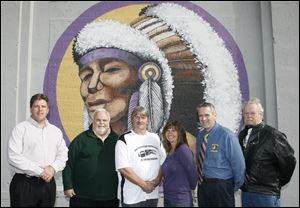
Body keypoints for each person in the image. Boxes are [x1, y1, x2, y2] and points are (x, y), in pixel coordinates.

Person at [7, 93, 68, 207]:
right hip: (24, 184)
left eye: (43, 106)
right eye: (36, 106)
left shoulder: (55, 131)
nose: (40, 109)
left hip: (48, 184)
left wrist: (53, 168)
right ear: (31, 109)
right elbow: (13, 156)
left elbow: (63, 154)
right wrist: (40, 171)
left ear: (48, 109)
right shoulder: (21, 129)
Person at [238, 97, 296, 207]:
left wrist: (275, 183)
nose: (249, 116)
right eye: (246, 113)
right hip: (246, 193)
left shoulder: (273, 135)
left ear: (261, 115)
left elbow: (289, 162)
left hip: (266, 194)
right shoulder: (242, 135)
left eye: (252, 113)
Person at [63, 108, 119, 207]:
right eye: (98, 120)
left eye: (104, 120)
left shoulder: (118, 141)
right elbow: (68, 163)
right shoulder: (80, 140)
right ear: (92, 121)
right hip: (82, 196)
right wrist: (68, 186)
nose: (101, 123)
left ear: (109, 121)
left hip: (110, 196)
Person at [196, 102, 245, 207]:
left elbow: (239, 165)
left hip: (222, 187)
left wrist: (233, 186)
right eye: (201, 116)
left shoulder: (227, 136)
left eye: (207, 115)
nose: (203, 119)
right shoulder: (200, 136)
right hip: (203, 186)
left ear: (214, 115)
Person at [115, 106, 166, 207]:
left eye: (143, 117)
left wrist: (156, 182)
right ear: (131, 119)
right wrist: (144, 185)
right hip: (132, 196)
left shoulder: (155, 138)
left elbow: (163, 162)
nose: (139, 120)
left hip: (152, 193)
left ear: (147, 120)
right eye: (136, 117)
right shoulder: (124, 139)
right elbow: (123, 169)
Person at [161, 120, 197, 207]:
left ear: (179, 133)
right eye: (168, 130)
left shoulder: (183, 150)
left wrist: (192, 189)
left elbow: (192, 172)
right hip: (168, 198)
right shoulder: (169, 151)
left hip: (181, 200)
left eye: (174, 130)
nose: (170, 133)